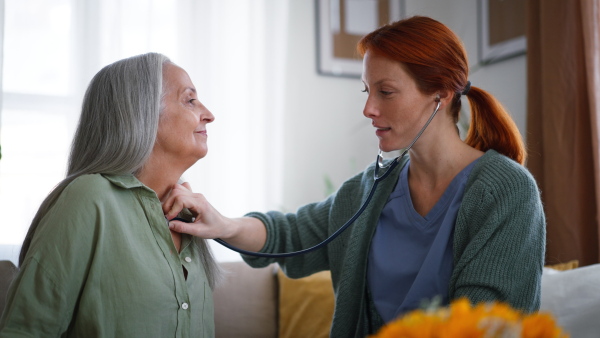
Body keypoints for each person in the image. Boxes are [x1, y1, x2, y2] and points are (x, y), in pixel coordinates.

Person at [166, 16, 546, 337]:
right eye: (368, 91)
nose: (368, 108)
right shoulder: (367, 192)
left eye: (386, 92)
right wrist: (222, 224)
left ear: (441, 94)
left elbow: (487, 326)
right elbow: (291, 236)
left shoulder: (506, 194)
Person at [0, 53, 220, 337]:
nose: (209, 115)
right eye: (190, 100)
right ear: (141, 111)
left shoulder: (192, 214)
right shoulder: (89, 199)